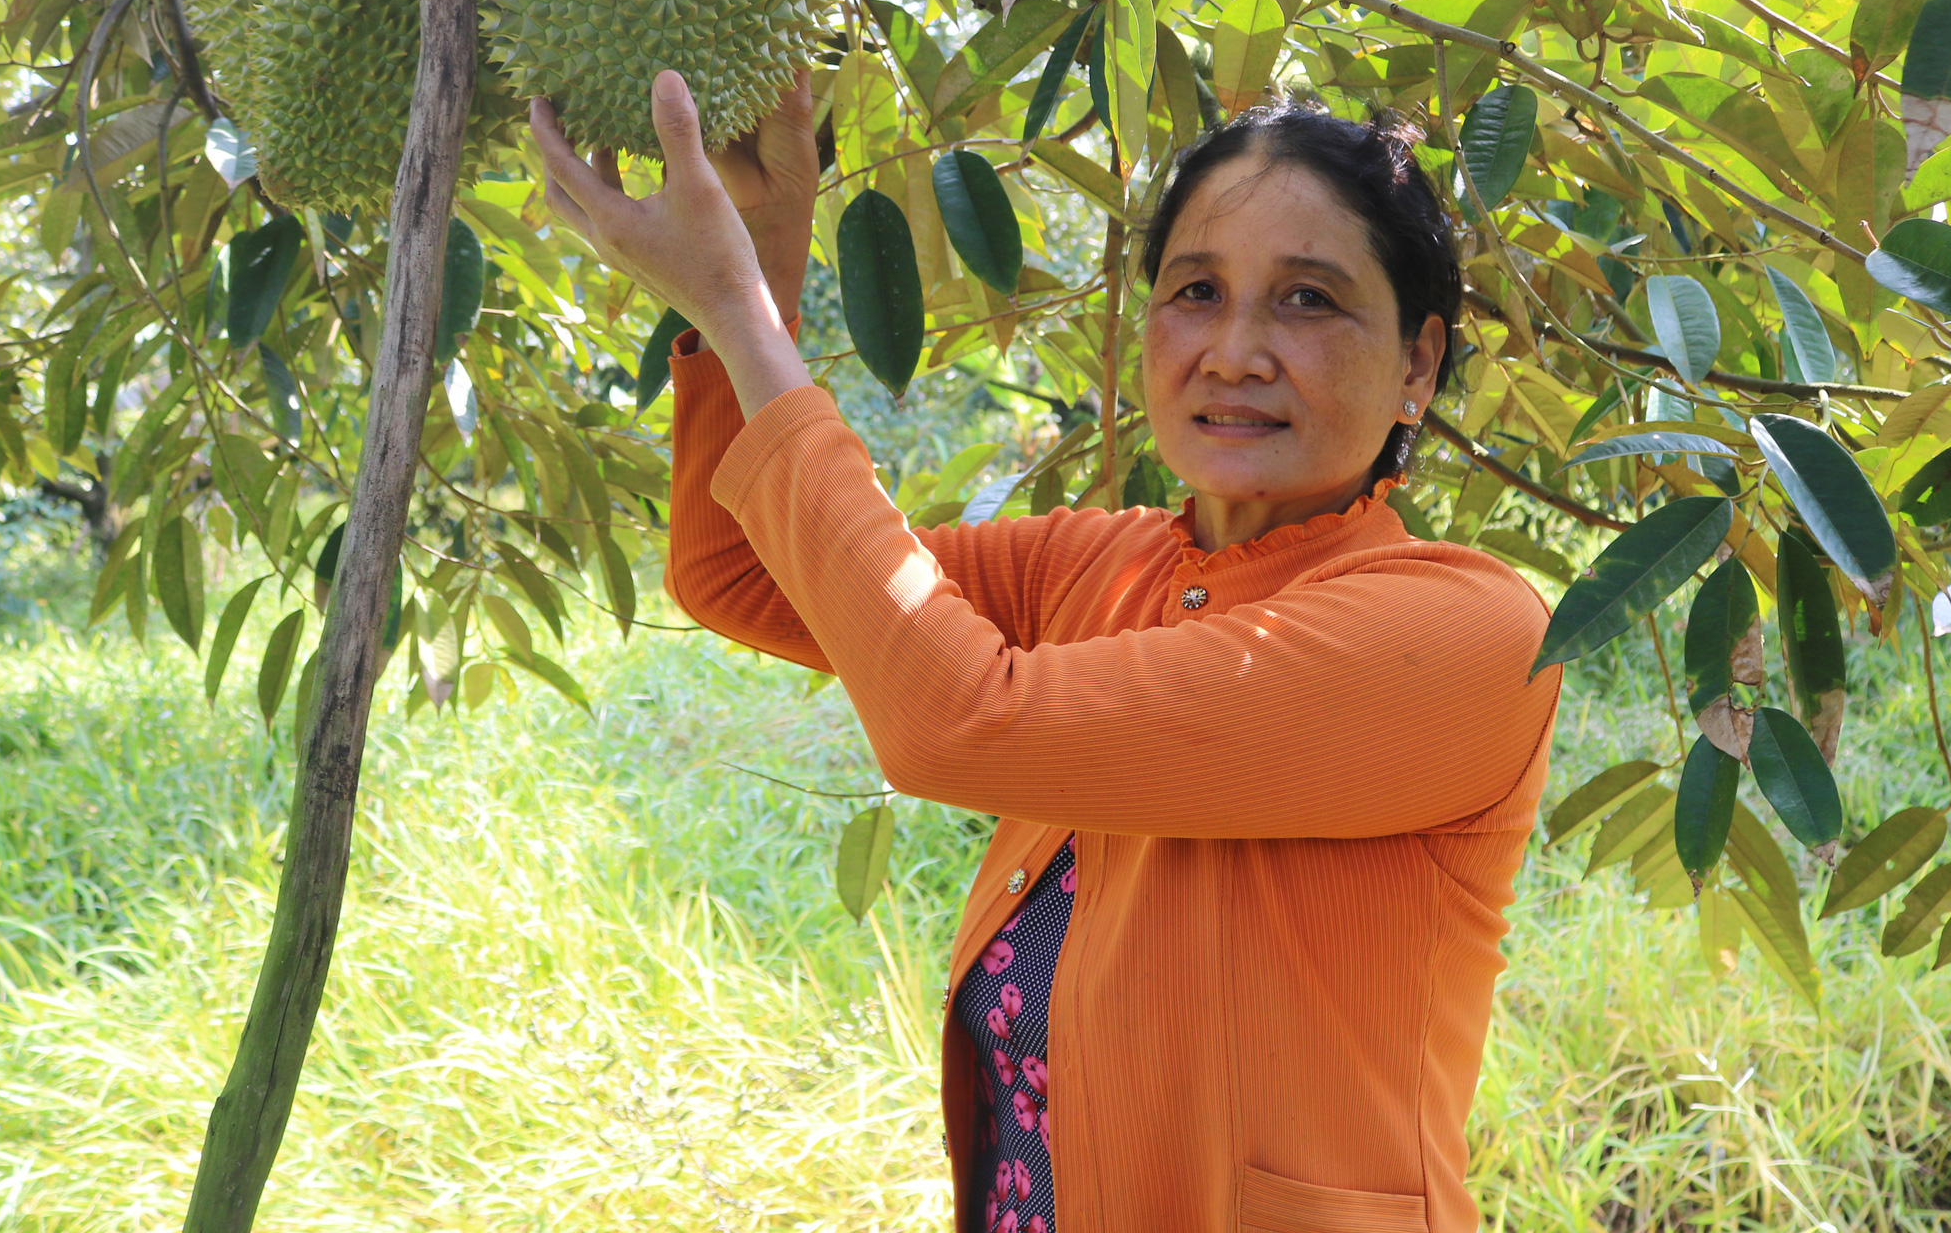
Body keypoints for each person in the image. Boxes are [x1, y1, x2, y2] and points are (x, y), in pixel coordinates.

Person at [530, 69, 1562, 1233]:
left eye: (1309, 300)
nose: (1233, 349)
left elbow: (959, 718)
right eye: (1196, 290)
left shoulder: (1464, 633)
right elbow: (742, 569)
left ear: (1417, 366)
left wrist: (740, 316)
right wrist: (763, 259)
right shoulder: (1095, 568)